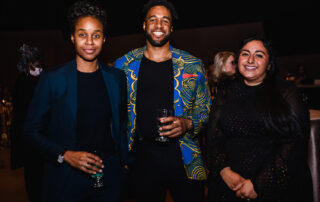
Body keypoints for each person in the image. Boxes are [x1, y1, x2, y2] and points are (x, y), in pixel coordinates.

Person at [23, 1, 129, 201]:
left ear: (104, 39)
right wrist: (65, 155)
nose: (89, 42)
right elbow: (30, 130)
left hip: (109, 176)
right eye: (82, 34)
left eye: (96, 35)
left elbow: (121, 124)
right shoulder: (53, 79)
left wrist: (123, 162)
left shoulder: (116, 78)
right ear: (72, 37)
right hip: (66, 178)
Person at [114, 0, 211, 201]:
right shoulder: (124, 65)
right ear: (144, 25)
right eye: (153, 20)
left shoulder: (192, 65)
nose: (159, 26)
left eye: (165, 21)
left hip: (184, 155)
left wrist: (188, 122)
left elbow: (205, 107)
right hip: (141, 157)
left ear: (171, 28)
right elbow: (116, 113)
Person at [206, 36, 313, 201]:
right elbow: (214, 137)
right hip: (229, 186)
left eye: (259, 55)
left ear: (269, 64)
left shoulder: (287, 92)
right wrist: (224, 171)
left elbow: (295, 143)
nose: (250, 60)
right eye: (245, 54)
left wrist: (258, 184)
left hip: (276, 185)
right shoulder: (226, 92)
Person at [10, 44, 44, 201]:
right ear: (27, 64)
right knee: (33, 177)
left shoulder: (42, 78)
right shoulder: (22, 83)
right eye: (34, 64)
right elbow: (22, 115)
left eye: (38, 63)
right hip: (30, 140)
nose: (38, 67)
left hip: (43, 138)